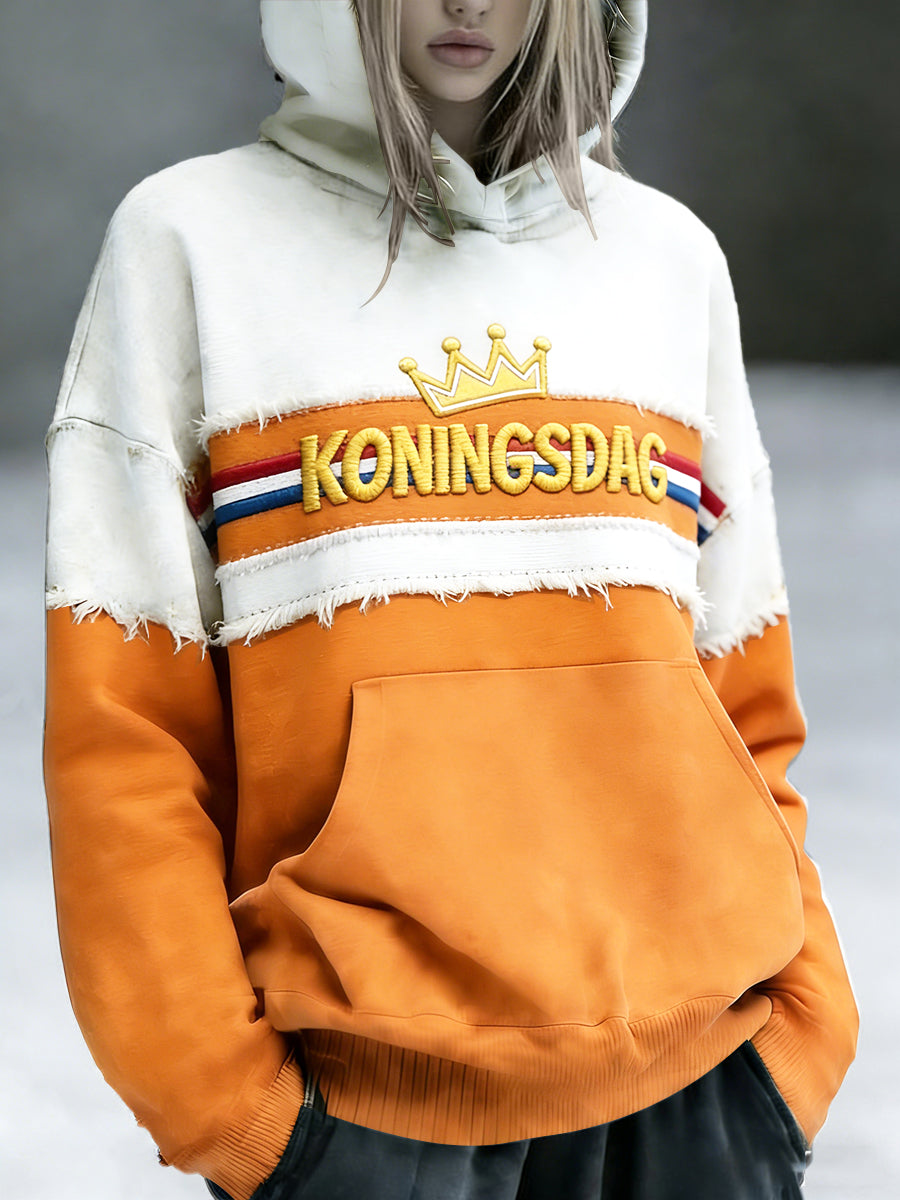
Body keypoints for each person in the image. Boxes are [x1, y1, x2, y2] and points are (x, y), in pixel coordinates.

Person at [43, 2, 858, 1197]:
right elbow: (126, 739)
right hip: (365, 1119)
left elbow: (742, 697)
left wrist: (797, 1049)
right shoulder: (192, 244)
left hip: (703, 1097)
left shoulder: (666, 261)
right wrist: (227, 1106)